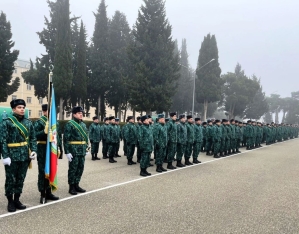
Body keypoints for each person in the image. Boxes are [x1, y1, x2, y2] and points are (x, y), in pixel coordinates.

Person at [2, 99, 37, 212]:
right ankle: (10, 201)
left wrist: (33, 150)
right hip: (12, 157)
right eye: (19, 107)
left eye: (23, 107)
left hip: (24, 157)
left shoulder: (28, 122)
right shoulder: (7, 122)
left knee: (20, 179)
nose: (22, 109)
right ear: (13, 109)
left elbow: (33, 138)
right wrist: (5, 156)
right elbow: (2, 140)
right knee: (10, 180)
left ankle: (17, 199)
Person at [34, 104, 59, 203]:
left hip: (52, 148)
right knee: (43, 172)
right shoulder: (39, 122)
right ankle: (42, 193)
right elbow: (34, 135)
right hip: (43, 148)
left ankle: (49, 191)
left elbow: (56, 136)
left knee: (51, 169)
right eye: (49, 111)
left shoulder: (53, 122)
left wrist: (59, 147)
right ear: (44, 111)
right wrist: (44, 132)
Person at [64, 106, 88, 195]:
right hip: (73, 150)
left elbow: (86, 137)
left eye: (81, 113)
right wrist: (67, 151)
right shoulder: (70, 124)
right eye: (79, 113)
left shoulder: (83, 124)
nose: (81, 115)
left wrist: (87, 147)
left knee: (80, 168)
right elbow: (66, 139)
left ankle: (77, 184)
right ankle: (71, 187)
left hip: (82, 150)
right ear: (74, 114)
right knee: (73, 169)